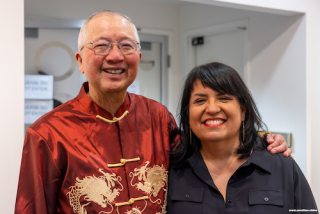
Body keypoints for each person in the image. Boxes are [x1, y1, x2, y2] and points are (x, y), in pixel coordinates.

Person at [15, 11, 291, 214]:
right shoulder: (47, 134)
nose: (115, 56)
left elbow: (206, 149)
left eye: (126, 45)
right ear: (80, 60)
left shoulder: (157, 116)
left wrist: (261, 140)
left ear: (138, 56)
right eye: (101, 46)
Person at [167, 62, 317, 214]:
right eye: (200, 100)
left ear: (243, 110)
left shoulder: (281, 165)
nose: (212, 109)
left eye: (224, 98)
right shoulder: (172, 169)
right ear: (188, 114)